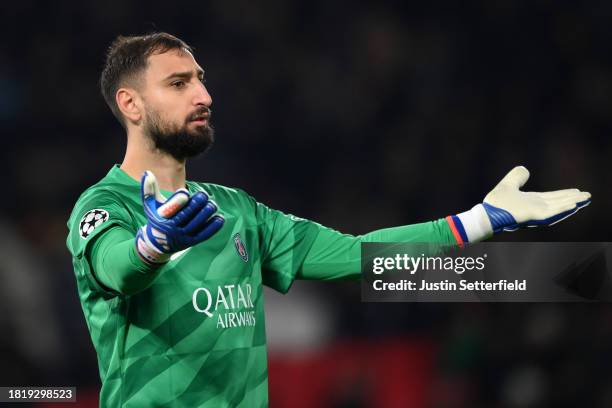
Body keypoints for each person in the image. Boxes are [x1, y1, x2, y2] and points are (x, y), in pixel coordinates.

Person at [66, 32, 591, 407]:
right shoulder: (103, 205)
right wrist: (152, 244)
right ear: (131, 104)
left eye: (200, 81)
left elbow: (357, 256)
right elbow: (117, 267)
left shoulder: (238, 210)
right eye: (178, 84)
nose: (204, 96)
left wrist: (481, 220)